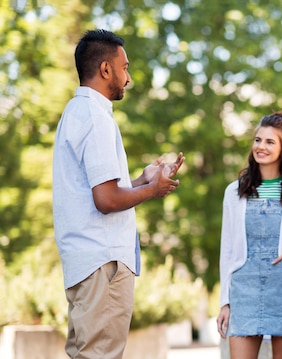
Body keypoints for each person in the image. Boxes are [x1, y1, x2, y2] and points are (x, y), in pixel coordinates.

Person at [52, 29, 184, 359]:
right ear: (106, 69)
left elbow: (101, 190)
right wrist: (153, 190)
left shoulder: (76, 112)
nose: (129, 77)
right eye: (125, 67)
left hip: (88, 263)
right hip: (104, 262)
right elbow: (107, 200)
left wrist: (141, 179)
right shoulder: (95, 118)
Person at [217, 111, 282, 359]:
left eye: (270, 142)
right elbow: (227, 250)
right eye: (258, 140)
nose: (261, 146)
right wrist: (224, 301)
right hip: (243, 288)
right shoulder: (234, 191)